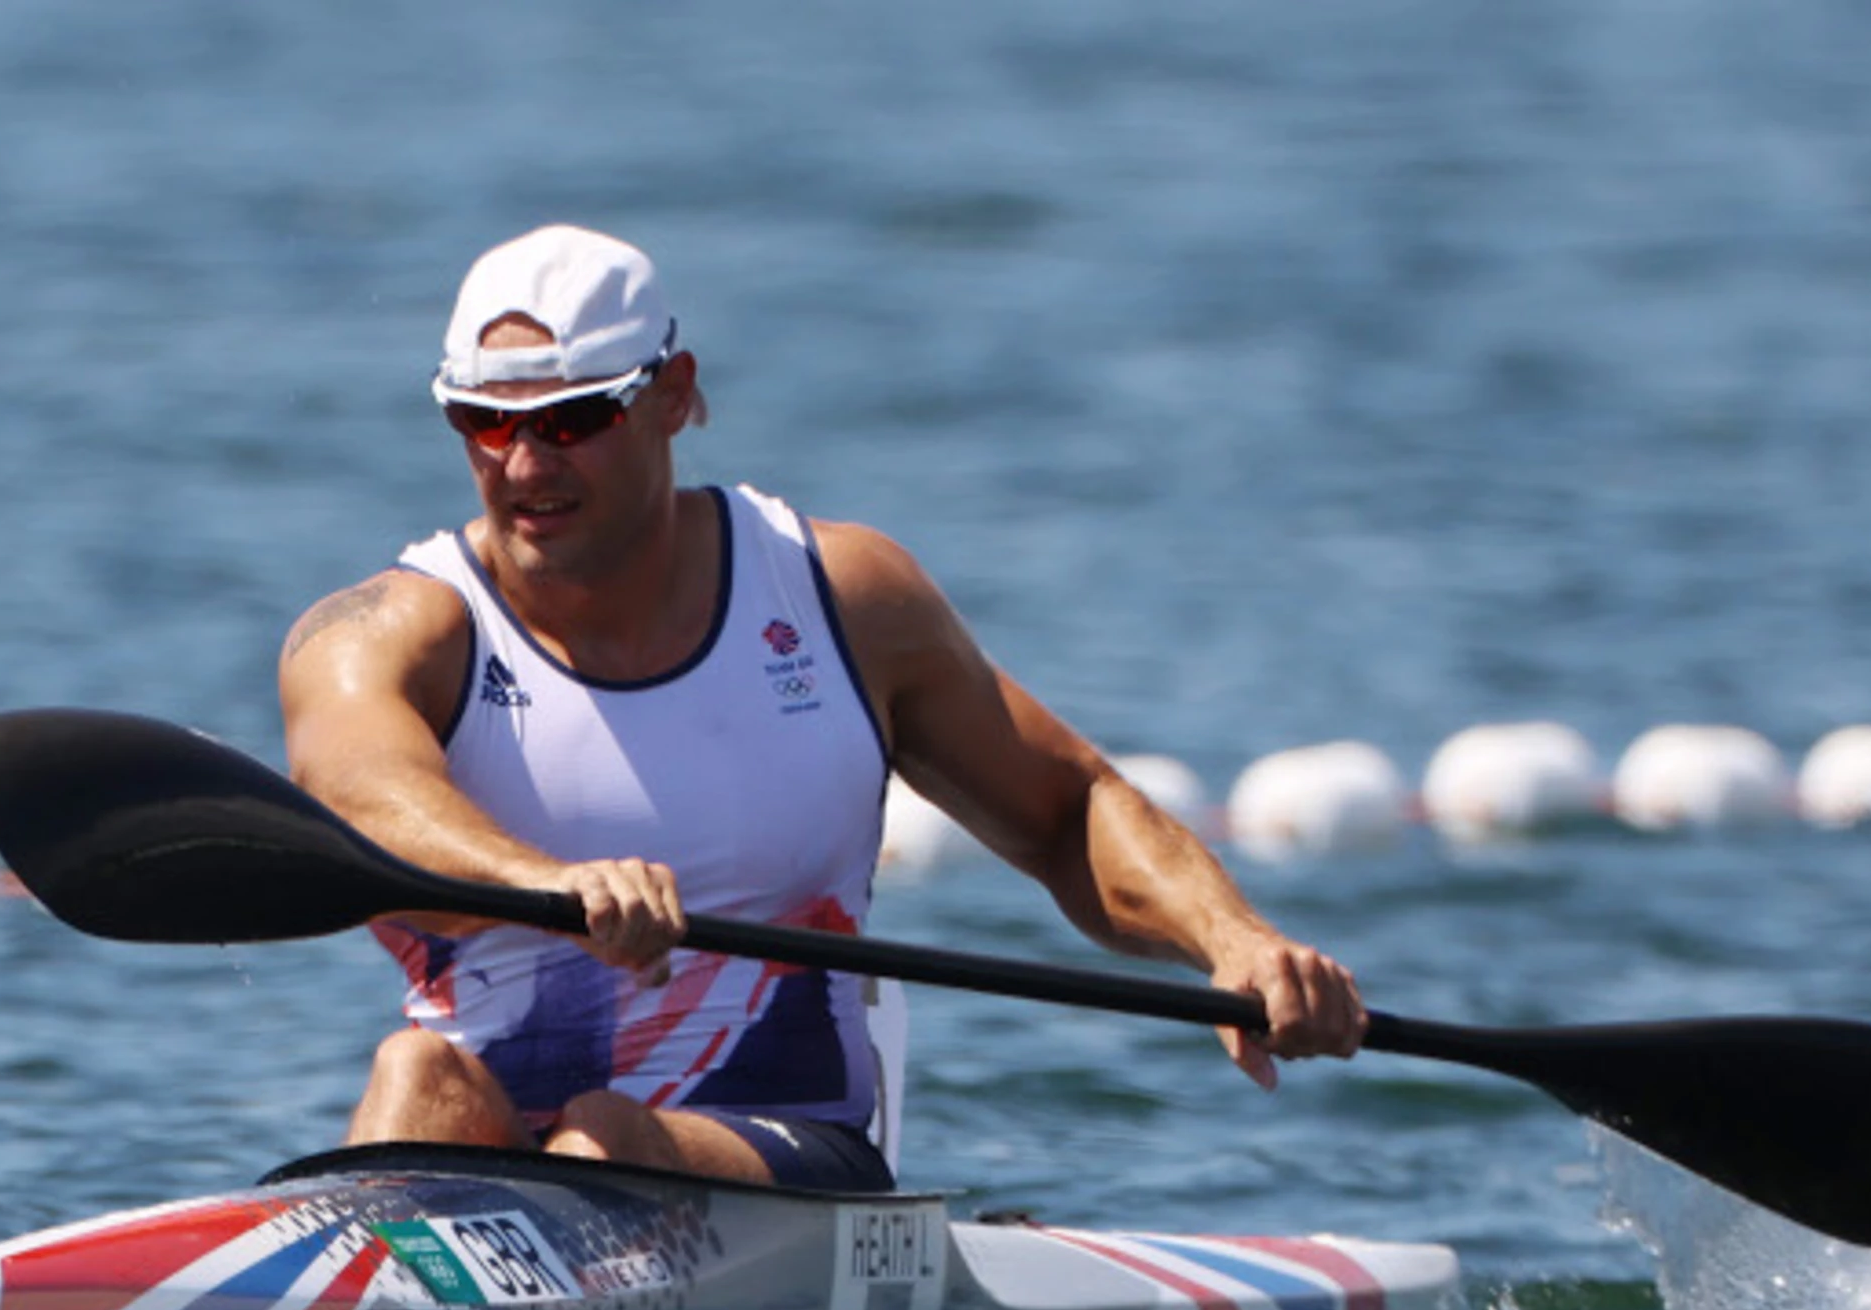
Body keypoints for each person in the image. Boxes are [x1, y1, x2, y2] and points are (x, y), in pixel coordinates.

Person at [276, 224, 1365, 1192]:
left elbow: (1066, 809)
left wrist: (1237, 945)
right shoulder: (381, 636)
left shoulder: (841, 598)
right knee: (416, 1070)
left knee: (608, 1137)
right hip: (487, 1141)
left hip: (786, 1148)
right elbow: (365, 800)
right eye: (481, 419)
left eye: (568, 422)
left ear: (673, 394)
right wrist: (549, 885)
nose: (521, 464)